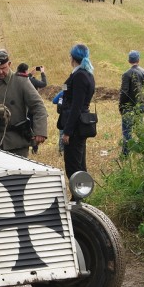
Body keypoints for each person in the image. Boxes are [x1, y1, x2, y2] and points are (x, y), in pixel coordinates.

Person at [0, 49, 48, 158]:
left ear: (9, 64)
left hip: (17, 141)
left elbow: (38, 106)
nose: (1, 72)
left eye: (4, 68)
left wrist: (40, 131)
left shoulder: (21, 81)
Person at [58, 44, 95, 184]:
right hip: (79, 123)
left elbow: (76, 106)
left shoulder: (79, 76)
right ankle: (81, 193)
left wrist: (67, 131)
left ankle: (78, 195)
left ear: (72, 57)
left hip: (76, 126)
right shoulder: (85, 73)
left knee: (73, 165)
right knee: (79, 162)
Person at [119, 50, 144, 156]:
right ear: (138, 60)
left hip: (129, 107)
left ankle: (125, 154)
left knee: (127, 131)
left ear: (129, 60)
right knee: (140, 129)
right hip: (141, 105)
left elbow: (124, 93)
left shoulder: (126, 74)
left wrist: (121, 106)